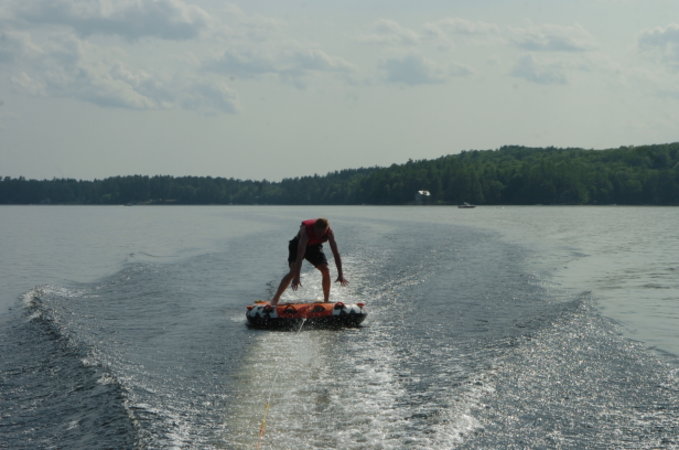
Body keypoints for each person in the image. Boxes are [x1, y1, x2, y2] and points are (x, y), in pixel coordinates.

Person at [270, 218, 348, 305]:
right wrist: (297, 277)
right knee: (293, 271)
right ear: (315, 228)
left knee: (325, 269)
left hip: (314, 247)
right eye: (318, 233)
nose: (320, 235)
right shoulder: (306, 233)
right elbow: (299, 256)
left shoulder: (329, 233)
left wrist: (340, 274)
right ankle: (275, 299)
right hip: (297, 246)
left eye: (322, 233)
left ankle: (326, 301)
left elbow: (336, 254)